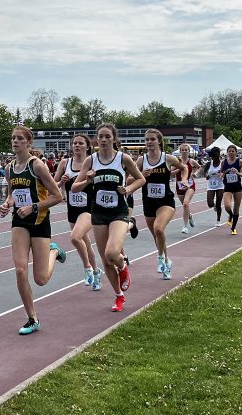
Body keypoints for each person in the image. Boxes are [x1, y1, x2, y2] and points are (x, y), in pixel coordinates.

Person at [0, 126, 66, 333]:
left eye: (20, 138)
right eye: (13, 138)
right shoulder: (9, 167)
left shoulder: (37, 166)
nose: (15, 141)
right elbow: (12, 194)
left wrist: (33, 207)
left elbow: (57, 196)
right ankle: (32, 318)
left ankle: (54, 251)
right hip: (19, 222)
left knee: (41, 279)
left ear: (29, 142)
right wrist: (7, 204)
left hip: (39, 221)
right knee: (20, 270)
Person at [71, 123, 145, 312]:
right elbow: (74, 187)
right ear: (96, 140)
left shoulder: (123, 158)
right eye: (100, 137)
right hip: (98, 213)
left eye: (107, 136)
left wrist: (127, 189)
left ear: (114, 139)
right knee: (105, 260)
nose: (103, 140)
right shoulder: (91, 160)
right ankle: (119, 296)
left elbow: (141, 179)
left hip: (118, 211)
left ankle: (123, 267)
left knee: (112, 253)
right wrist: (87, 180)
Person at [136, 129, 186, 280]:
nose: (149, 142)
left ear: (159, 141)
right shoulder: (140, 161)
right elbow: (129, 180)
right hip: (148, 202)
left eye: (152, 139)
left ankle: (159, 258)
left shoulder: (168, 158)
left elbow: (183, 168)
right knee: (157, 235)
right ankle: (166, 262)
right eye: (147, 140)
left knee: (159, 228)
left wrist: (183, 180)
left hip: (166, 201)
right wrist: (142, 176)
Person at [55, 134, 102, 290]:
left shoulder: (93, 163)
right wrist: (61, 182)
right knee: (86, 244)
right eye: (74, 143)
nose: (76, 145)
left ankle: (87, 268)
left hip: (89, 208)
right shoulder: (65, 163)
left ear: (87, 146)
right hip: (73, 209)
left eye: (80, 143)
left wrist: (91, 180)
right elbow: (53, 185)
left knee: (75, 238)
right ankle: (96, 272)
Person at [221, 144, 242, 235]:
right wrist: (222, 175)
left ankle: (233, 228)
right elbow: (222, 173)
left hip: (237, 188)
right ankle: (231, 215)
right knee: (227, 205)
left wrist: (238, 173)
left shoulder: (240, 162)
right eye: (229, 151)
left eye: (233, 151)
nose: (231, 153)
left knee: (236, 208)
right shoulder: (224, 162)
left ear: (236, 152)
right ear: (227, 153)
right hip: (227, 187)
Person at [175, 143, 201, 234]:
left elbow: (199, 167)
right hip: (179, 186)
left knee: (186, 204)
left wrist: (195, 173)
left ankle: (185, 226)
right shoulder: (176, 161)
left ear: (189, 151)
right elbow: (171, 173)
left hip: (190, 185)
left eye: (186, 150)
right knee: (185, 206)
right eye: (183, 150)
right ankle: (189, 215)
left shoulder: (192, 161)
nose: (184, 151)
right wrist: (179, 168)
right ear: (180, 151)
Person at [202, 146, 225, 226]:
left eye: (215, 156)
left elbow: (226, 172)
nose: (214, 158)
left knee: (219, 204)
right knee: (210, 204)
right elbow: (204, 172)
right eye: (212, 157)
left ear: (219, 155)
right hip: (211, 185)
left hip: (220, 185)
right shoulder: (209, 164)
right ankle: (213, 204)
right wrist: (206, 176)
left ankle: (218, 220)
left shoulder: (223, 163)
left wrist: (223, 174)